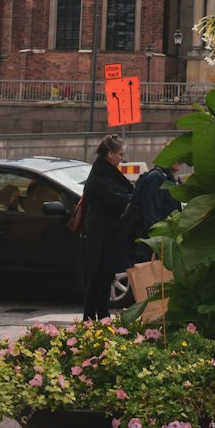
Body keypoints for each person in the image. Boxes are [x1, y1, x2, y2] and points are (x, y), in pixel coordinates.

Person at [82, 134, 133, 319]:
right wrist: (130, 199)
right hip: (101, 233)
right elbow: (117, 199)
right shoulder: (101, 175)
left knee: (106, 275)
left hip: (107, 231)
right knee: (98, 277)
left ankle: (102, 314)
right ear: (110, 154)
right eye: (120, 154)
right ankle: (89, 317)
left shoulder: (106, 171)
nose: (122, 158)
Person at [121, 163, 180, 264]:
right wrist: (159, 245)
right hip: (151, 245)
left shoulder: (169, 179)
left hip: (159, 242)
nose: (180, 161)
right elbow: (151, 215)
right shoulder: (156, 178)